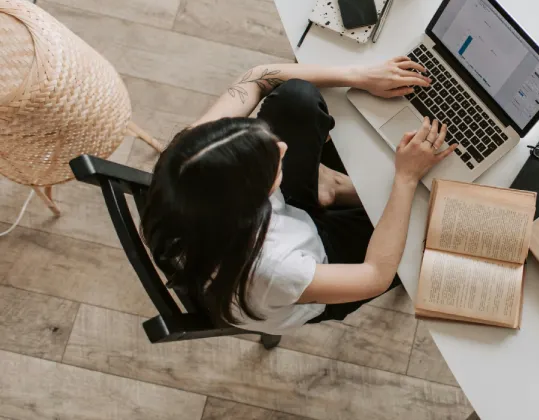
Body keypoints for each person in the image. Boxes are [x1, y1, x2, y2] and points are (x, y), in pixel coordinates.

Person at [140, 57, 458, 334]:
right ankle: (332, 189)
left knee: (295, 98)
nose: (282, 147)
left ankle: (327, 189)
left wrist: (359, 75)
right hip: (315, 269)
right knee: (431, 226)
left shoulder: (188, 159)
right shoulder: (277, 268)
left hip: (268, 227)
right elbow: (375, 275)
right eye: (272, 164)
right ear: (254, 201)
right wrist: (405, 178)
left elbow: (256, 78)